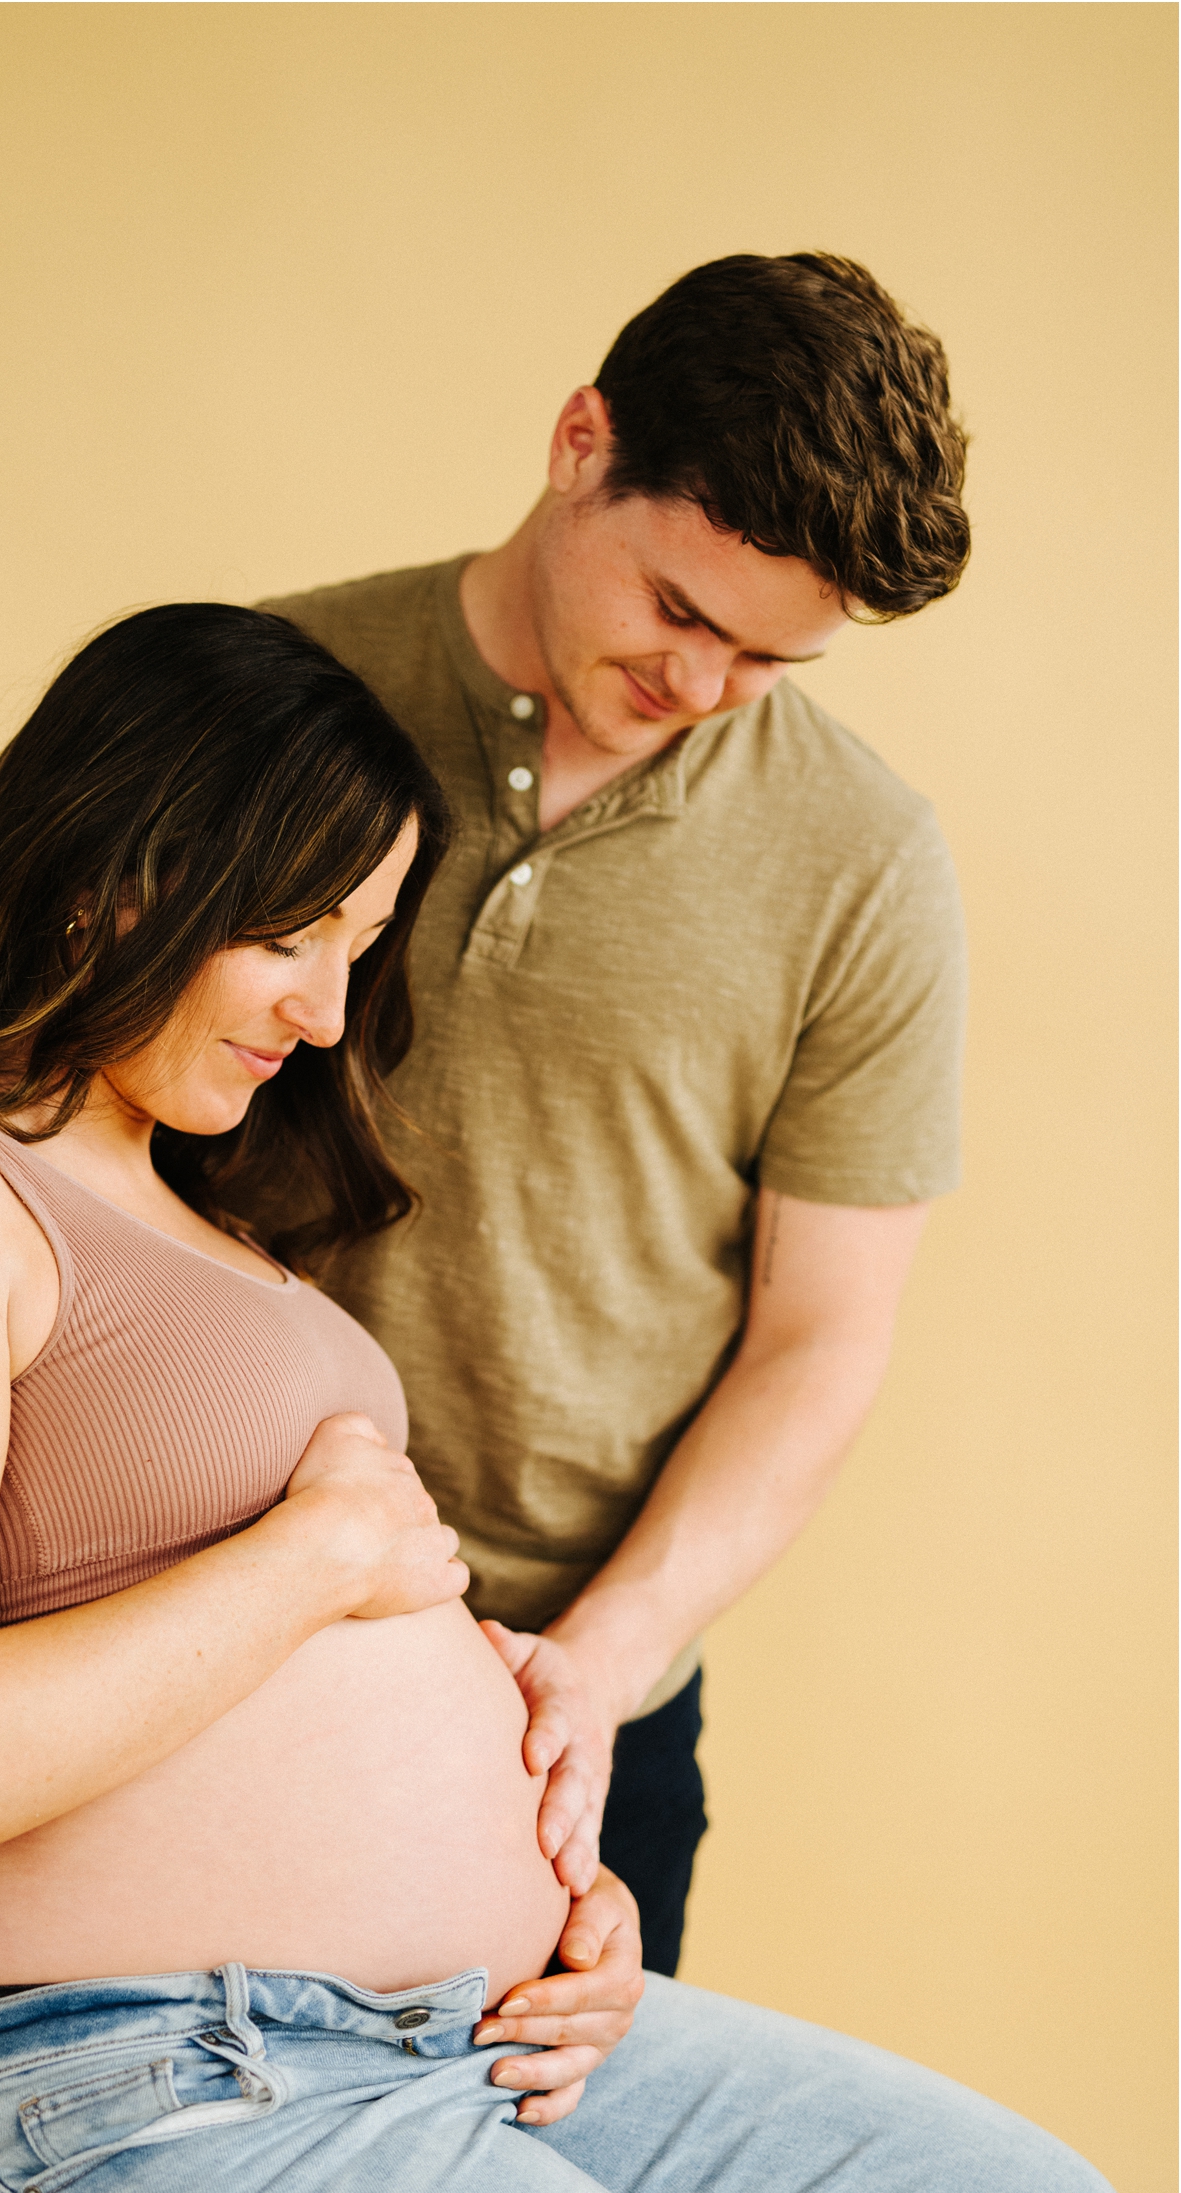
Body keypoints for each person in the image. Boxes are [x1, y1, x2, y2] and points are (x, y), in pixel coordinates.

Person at [0, 604, 1138, 2193]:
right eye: (294, 940)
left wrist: (553, 1902)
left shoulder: (208, 1211)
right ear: (124, 864)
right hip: (153, 2095)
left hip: (463, 2045)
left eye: (363, 945)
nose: (328, 1015)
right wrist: (311, 1560)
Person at [262, 251, 973, 1971]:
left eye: (769, 660)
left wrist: (605, 1652)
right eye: (675, 610)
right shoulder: (268, 696)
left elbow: (820, 1340)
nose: (703, 688)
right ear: (583, 442)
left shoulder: (865, 864)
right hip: (214, 1629)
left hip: (581, 1704)